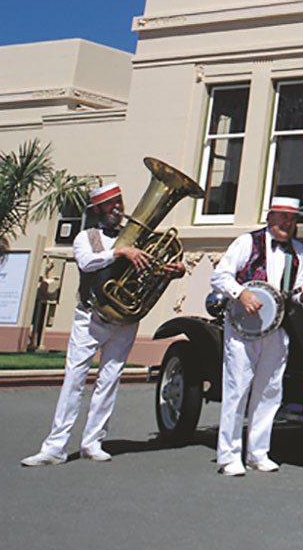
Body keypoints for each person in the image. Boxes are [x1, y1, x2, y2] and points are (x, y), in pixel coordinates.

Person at [22, 180, 181, 466]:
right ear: (98, 209)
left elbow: (151, 270)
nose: (117, 208)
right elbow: (87, 262)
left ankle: (93, 441)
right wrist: (119, 252)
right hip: (91, 317)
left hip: (124, 320)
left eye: (119, 201)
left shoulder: (138, 237)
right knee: (74, 380)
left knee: (109, 380)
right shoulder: (90, 236)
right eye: (110, 204)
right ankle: (55, 446)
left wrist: (172, 269)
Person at [211, 194, 303, 476]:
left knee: (270, 390)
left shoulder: (298, 250)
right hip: (243, 330)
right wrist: (241, 293)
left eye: (292, 219)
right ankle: (229, 456)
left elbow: (300, 289)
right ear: (270, 217)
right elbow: (220, 276)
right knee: (238, 390)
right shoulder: (247, 242)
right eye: (283, 217)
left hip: (277, 328)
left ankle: (259, 452)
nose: (288, 223)